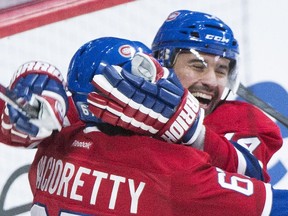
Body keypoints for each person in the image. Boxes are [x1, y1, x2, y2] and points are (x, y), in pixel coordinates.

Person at [1, 36, 288, 216]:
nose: (157, 88)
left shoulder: (53, 146)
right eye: (139, 85)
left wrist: (36, 72)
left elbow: (53, 113)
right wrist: (194, 135)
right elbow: (263, 196)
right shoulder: (171, 170)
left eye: (221, 69)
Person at [87, 10, 283, 183]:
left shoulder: (246, 122)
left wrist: (193, 132)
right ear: (163, 65)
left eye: (221, 70)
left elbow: (251, 177)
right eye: (198, 66)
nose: (212, 81)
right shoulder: (126, 101)